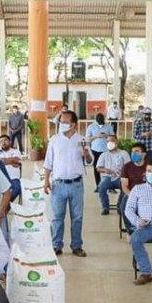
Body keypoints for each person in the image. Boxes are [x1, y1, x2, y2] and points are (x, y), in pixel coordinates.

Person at [44, 109, 93, 256]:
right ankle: (56, 245)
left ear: (74, 124)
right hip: (58, 184)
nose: (62, 125)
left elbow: (90, 161)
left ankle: (76, 245)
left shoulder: (82, 140)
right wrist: (46, 180)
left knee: (77, 217)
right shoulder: (54, 140)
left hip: (76, 184)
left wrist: (86, 155)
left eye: (65, 122)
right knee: (57, 217)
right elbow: (48, 163)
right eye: (61, 122)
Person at [96, 134, 129, 215]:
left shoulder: (123, 153)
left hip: (120, 177)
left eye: (111, 141)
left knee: (125, 186)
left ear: (116, 142)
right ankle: (105, 207)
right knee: (101, 187)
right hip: (107, 177)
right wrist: (105, 170)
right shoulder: (104, 155)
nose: (109, 143)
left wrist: (123, 172)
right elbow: (98, 168)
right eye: (108, 141)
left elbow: (129, 167)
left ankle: (120, 206)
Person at [120, 142, 148, 232]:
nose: (133, 154)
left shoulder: (150, 166)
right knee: (124, 206)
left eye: (136, 152)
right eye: (132, 152)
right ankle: (131, 230)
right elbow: (124, 186)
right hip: (131, 193)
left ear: (143, 154)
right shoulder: (127, 167)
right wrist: (132, 196)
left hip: (148, 194)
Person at [86, 112, 114, 191]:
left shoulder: (108, 126)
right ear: (96, 120)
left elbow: (113, 137)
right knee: (96, 168)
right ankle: (98, 186)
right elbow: (87, 139)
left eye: (102, 120)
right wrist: (96, 136)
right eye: (99, 121)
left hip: (106, 150)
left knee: (109, 167)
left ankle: (110, 186)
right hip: (95, 150)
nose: (101, 122)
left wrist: (106, 136)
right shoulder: (91, 127)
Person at [0, 134, 22, 203]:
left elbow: (17, 160)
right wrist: (11, 161)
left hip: (13, 177)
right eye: (1, 141)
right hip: (0, 178)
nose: (3, 142)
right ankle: (5, 206)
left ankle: (5, 205)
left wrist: (2, 161)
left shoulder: (15, 151)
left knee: (17, 188)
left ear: (10, 142)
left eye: (5, 140)